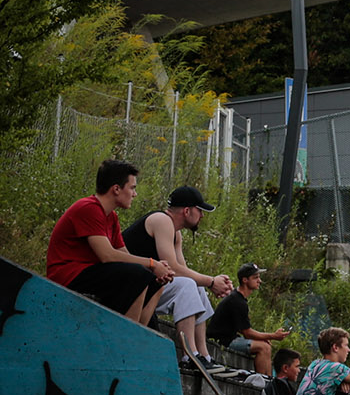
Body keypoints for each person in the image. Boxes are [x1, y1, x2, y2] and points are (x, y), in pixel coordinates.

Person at [46, 159, 173, 324]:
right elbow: (107, 255)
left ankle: (142, 338)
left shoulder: (111, 216)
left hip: (91, 274)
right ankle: (127, 335)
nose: (135, 194)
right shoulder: (89, 208)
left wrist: (157, 268)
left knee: (153, 281)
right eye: (132, 188)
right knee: (138, 275)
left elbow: (123, 254)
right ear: (116, 189)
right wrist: (151, 263)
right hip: (68, 276)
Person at [123, 185, 235, 366]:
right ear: (187, 210)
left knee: (194, 285)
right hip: (129, 286)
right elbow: (173, 268)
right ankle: (189, 355)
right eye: (200, 211)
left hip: (149, 286)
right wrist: (212, 281)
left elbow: (181, 271)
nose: (203, 216)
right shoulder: (161, 220)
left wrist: (210, 283)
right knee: (188, 285)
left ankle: (204, 355)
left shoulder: (176, 234)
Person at [210, 263, 289, 377]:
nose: (259, 281)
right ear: (245, 280)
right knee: (264, 347)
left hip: (230, 337)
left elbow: (244, 330)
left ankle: (269, 380)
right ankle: (263, 381)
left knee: (265, 344)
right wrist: (273, 336)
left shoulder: (239, 298)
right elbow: (247, 333)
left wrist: (267, 337)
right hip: (222, 341)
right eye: (255, 278)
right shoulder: (237, 301)